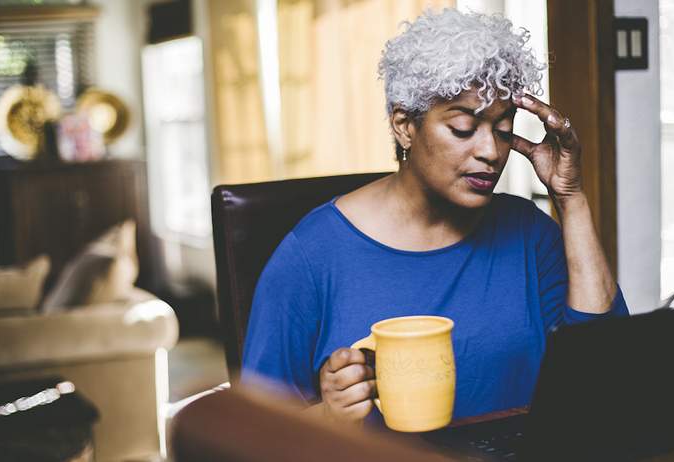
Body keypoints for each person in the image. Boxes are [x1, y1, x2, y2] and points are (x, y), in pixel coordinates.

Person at [241, 8, 629, 426]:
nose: (491, 152)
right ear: (405, 126)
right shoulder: (312, 256)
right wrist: (327, 417)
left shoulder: (528, 233)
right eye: (464, 127)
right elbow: (248, 435)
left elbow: (604, 372)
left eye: (502, 128)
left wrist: (571, 198)